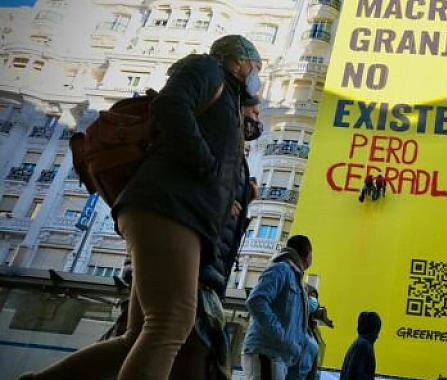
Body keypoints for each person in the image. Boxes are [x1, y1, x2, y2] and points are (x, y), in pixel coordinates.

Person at [19, 35, 262, 380]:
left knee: (137, 336)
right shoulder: (208, 69)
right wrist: (203, 162)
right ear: (238, 61)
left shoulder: (230, 103)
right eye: (256, 65)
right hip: (169, 207)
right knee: (171, 322)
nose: (258, 74)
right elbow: (171, 105)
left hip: (175, 211)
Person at [242, 235, 314, 380]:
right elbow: (256, 301)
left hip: (277, 355)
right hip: (267, 352)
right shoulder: (281, 269)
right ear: (307, 255)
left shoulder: (294, 277)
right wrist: (281, 336)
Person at [340, 311, 382, 380]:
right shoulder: (363, 346)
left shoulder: (358, 343)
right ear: (371, 330)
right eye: (376, 331)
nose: (377, 336)